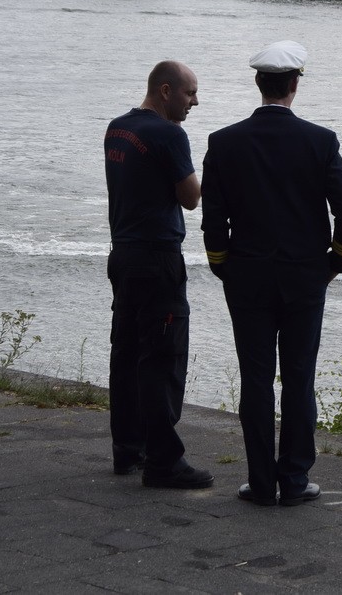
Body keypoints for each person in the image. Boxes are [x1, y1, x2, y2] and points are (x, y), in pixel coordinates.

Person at [201, 41, 342, 507]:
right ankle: (293, 480)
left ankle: (260, 482)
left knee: (254, 379)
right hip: (304, 278)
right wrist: (336, 263)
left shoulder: (223, 141)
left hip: (246, 277)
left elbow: (214, 220)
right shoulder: (321, 140)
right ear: (294, 85)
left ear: (259, 83)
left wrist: (221, 265)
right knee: (298, 377)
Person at [104, 61, 213, 490]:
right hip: (159, 259)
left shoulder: (116, 128)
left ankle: (127, 449)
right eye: (190, 93)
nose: (195, 102)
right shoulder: (169, 134)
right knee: (162, 358)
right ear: (165, 91)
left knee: (126, 354)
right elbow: (190, 198)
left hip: (123, 254)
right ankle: (164, 461)